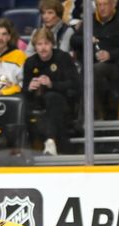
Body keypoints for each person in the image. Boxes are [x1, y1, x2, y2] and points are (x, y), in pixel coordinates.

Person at [22, 27, 79, 156]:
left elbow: (74, 84)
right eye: (39, 44)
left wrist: (51, 84)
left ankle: (50, 140)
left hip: (63, 101)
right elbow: (24, 87)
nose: (43, 48)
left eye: (46, 44)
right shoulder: (30, 62)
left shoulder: (63, 58)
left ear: (52, 44)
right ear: (35, 46)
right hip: (37, 101)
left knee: (51, 98)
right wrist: (30, 87)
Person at [73, 0, 119, 120]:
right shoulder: (90, 21)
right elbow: (73, 40)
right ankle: (90, 118)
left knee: (93, 70)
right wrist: (86, 39)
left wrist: (110, 55)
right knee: (88, 71)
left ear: (113, 4)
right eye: (99, 5)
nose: (102, 8)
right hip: (93, 66)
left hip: (117, 66)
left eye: (105, 4)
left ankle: (90, 118)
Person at [0, 18, 26, 96]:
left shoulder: (19, 56)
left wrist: (3, 92)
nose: (0, 38)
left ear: (9, 37)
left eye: (4, 34)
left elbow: (23, 83)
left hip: (12, 96)